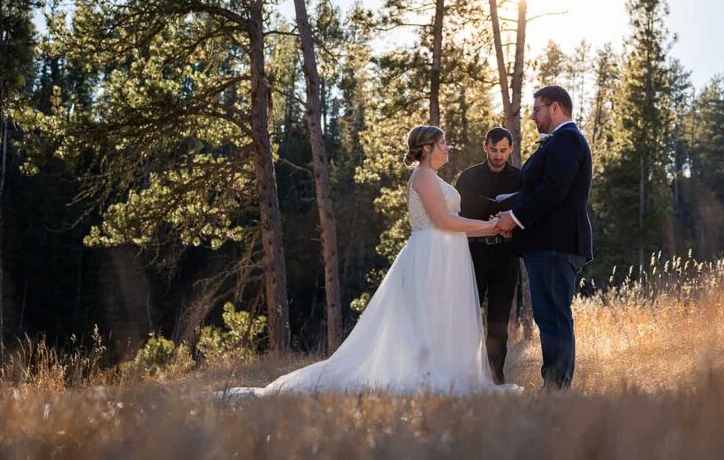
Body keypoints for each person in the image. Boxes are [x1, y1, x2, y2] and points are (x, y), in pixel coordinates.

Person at [227, 126, 519, 396]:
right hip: (431, 256)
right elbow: (443, 220)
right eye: (442, 143)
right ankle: (428, 375)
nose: (447, 148)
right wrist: (491, 227)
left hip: (446, 255)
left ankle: (447, 372)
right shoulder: (423, 176)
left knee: (442, 317)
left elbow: (451, 218)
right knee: (429, 317)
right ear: (427, 148)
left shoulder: (433, 176)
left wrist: (488, 224)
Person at [496, 86, 593, 389]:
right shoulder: (559, 143)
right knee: (549, 315)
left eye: (537, 109)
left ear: (555, 108)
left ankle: (556, 388)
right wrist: (501, 209)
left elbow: (553, 189)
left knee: (553, 316)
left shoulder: (567, 141)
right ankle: (555, 385)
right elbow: (535, 190)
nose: (533, 116)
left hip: (556, 243)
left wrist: (514, 217)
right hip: (548, 243)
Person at [454, 127, 521, 385]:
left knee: (498, 320)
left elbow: (524, 212)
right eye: (493, 150)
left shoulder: (520, 178)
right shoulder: (468, 177)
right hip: (474, 252)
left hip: (506, 256)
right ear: (485, 147)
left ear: (511, 149)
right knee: (468, 315)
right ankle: (465, 374)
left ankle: (495, 376)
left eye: (503, 150)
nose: (498, 155)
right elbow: (459, 211)